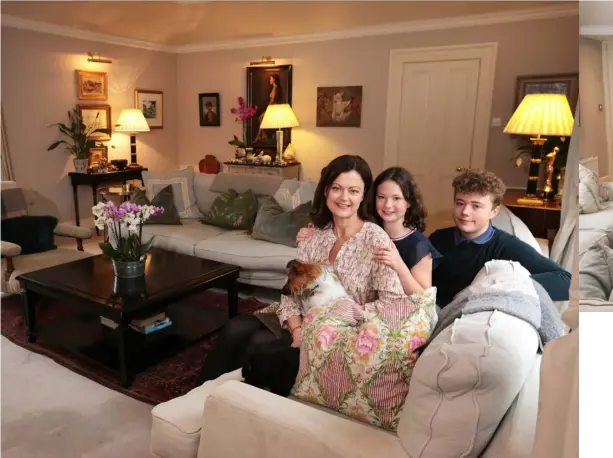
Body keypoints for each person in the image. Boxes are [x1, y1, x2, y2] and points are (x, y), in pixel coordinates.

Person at [197, 155, 410, 387]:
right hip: (297, 318)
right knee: (234, 329)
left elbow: (393, 302)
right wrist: (297, 330)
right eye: (337, 188)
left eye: (353, 190)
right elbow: (289, 294)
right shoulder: (313, 235)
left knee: (258, 344)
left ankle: (235, 401)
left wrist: (347, 313)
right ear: (326, 190)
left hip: (339, 329)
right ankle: (199, 399)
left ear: (364, 194)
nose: (344, 197)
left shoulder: (375, 238)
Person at [430, 169, 571, 308]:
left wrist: (502, 284)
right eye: (460, 203)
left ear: (494, 211)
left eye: (476, 206)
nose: (465, 212)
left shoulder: (506, 246)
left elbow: (566, 282)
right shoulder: (438, 238)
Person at [297, 166, 441, 295]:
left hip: (405, 314)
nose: (388, 205)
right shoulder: (369, 231)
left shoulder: (418, 245)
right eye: (381, 197)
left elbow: (424, 298)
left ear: (408, 202)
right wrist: (312, 232)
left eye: (396, 198)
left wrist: (399, 265)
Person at [253, 74, 282, 143]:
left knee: (261, 118)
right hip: (271, 106)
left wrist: (268, 109)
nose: (270, 80)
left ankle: (259, 135)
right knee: (260, 118)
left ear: (274, 79)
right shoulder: (273, 87)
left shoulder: (275, 87)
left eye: (270, 79)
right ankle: (264, 135)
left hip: (273, 108)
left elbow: (272, 100)